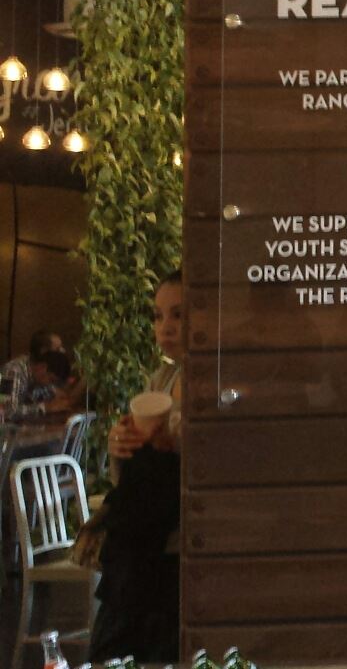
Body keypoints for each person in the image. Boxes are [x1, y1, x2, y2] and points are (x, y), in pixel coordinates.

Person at [87, 279, 182, 664]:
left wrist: (174, 443)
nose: (165, 327)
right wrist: (120, 444)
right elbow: (125, 477)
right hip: (143, 543)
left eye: (179, 315)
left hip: (176, 542)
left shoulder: (220, 381)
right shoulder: (161, 380)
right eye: (158, 316)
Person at [0, 330, 64, 419]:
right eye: (58, 349)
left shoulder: (44, 372)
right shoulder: (13, 371)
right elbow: (6, 410)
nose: (63, 352)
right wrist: (44, 408)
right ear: (44, 351)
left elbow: (57, 395)